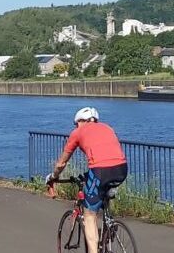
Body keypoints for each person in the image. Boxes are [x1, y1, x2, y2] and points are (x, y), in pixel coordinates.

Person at [46, 106, 128, 253]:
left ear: (80, 122)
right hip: (122, 169)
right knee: (102, 193)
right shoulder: (107, 127)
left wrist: (53, 176)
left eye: (76, 124)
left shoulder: (77, 132)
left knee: (89, 214)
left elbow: (61, 163)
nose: (76, 127)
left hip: (100, 171)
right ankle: (109, 225)